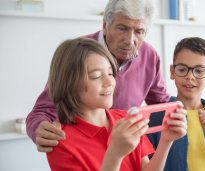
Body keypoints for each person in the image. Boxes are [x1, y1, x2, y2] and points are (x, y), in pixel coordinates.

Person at [26, 0, 205, 153]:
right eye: (122, 28)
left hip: (128, 149)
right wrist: (38, 129)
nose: (130, 40)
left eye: (139, 31)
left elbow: (161, 102)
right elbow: (43, 111)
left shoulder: (150, 55)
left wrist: (195, 105)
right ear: (105, 25)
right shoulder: (77, 53)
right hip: (83, 149)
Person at [46, 37, 187, 171]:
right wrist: (115, 154)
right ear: (70, 84)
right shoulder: (59, 141)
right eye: (96, 76)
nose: (109, 83)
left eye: (110, 73)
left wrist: (166, 141)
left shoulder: (127, 119)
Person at [147, 37, 205, 171]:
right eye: (182, 69)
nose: (190, 76)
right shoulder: (157, 115)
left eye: (199, 71)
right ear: (172, 72)